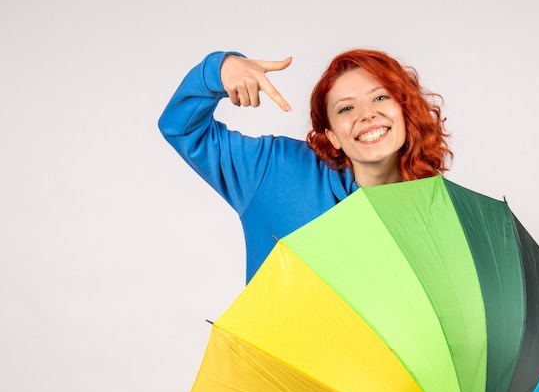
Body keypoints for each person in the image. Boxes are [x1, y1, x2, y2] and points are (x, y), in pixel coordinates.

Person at [158, 49, 452, 283]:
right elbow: (182, 129)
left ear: (404, 112)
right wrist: (219, 70)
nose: (367, 114)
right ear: (332, 136)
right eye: (346, 108)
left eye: (379, 97)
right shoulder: (274, 169)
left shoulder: (440, 218)